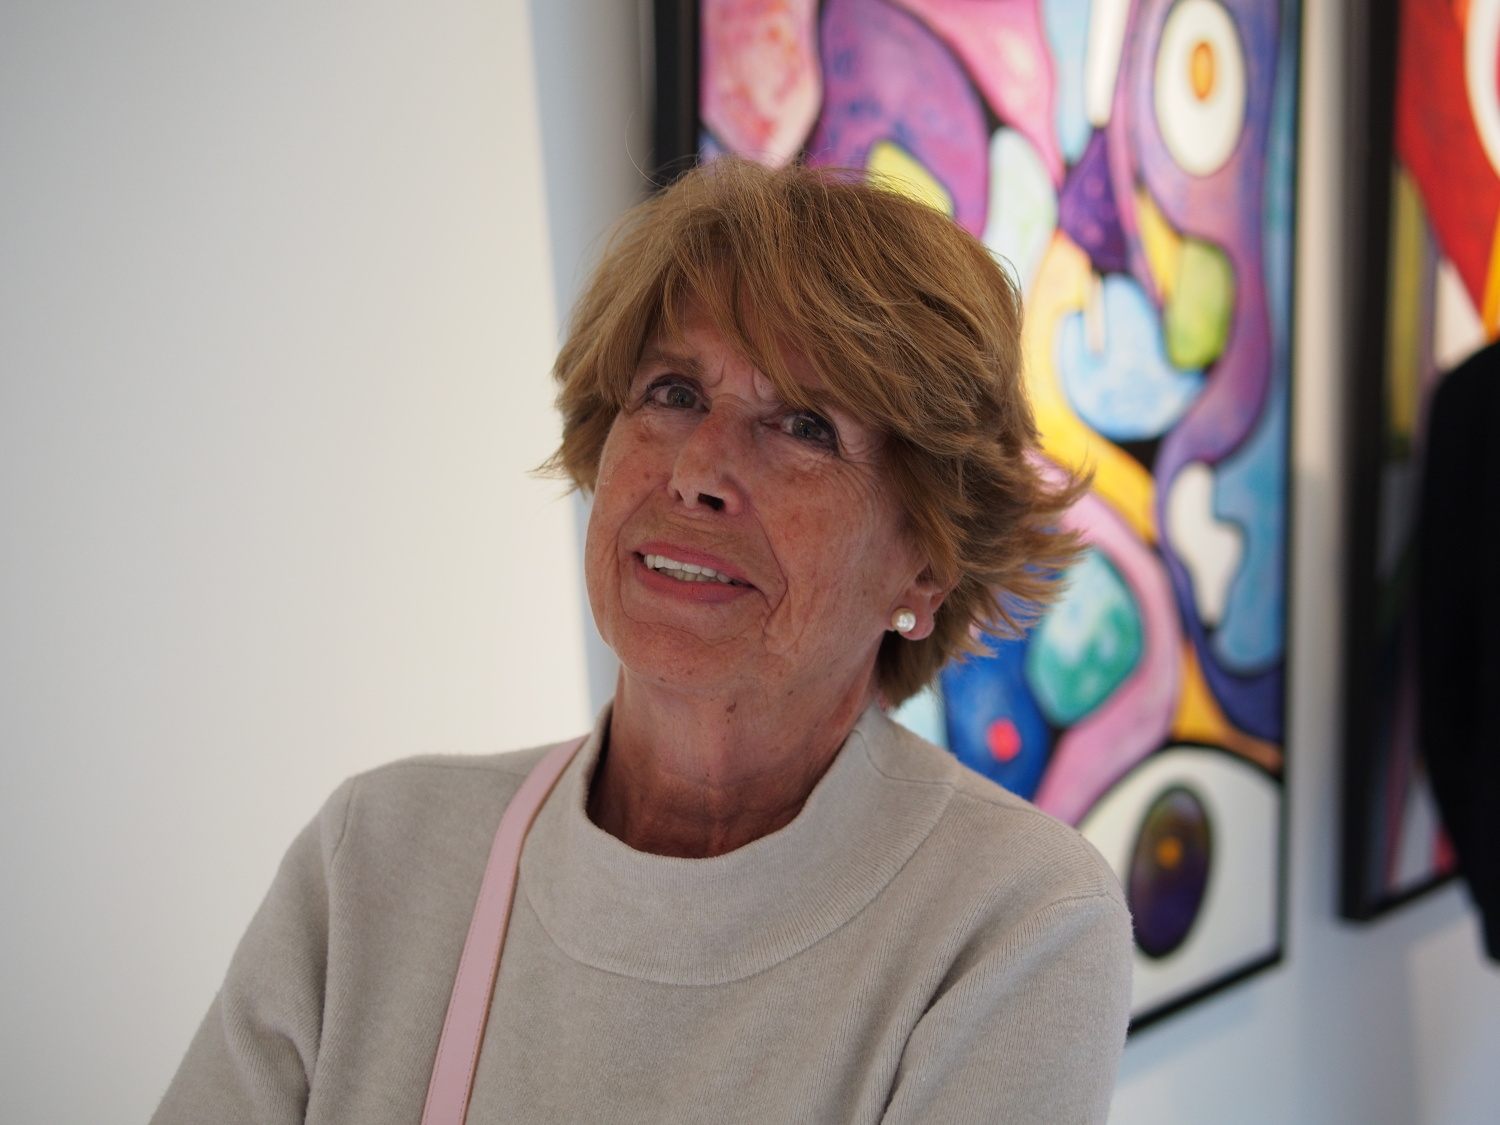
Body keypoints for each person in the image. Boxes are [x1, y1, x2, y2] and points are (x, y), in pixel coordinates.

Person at [153, 159, 1133, 1124]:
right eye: (673, 393)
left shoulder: (1011, 924)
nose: (699, 469)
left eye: (804, 425)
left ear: (925, 561)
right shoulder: (378, 858)